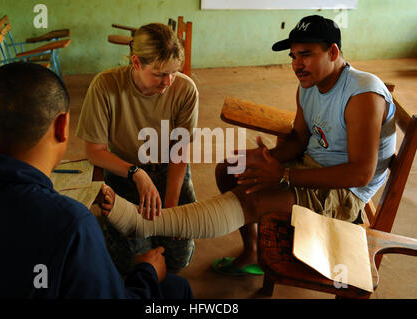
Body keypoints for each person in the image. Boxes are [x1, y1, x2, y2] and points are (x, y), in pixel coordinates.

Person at [98, 15, 396, 278]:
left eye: (306, 55)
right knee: (231, 170)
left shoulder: (362, 93)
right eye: (293, 56)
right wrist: (267, 159)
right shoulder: (309, 86)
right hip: (312, 166)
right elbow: (299, 139)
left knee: (251, 200)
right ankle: (252, 252)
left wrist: (283, 176)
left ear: (333, 52)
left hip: (346, 192)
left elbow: (360, 174)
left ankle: (144, 224)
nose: (297, 65)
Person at [0, 62, 193, 299]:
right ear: (62, 126)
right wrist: (147, 273)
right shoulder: (72, 224)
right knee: (177, 287)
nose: (166, 81)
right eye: (159, 74)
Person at [76, 23, 199, 275]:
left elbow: (180, 150)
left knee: (179, 256)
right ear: (135, 62)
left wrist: (171, 207)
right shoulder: (105, 86)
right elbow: (94, 151)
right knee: (136, 262)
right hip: (124, 173)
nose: (168, 82)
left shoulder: (185, 89)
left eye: (173, 72)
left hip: (169, 169)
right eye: (159, 74)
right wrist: (136, 173)